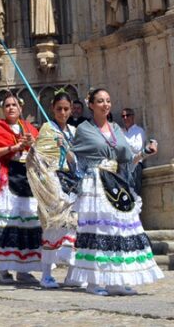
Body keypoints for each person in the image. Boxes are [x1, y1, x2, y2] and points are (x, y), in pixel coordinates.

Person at [66, 88, 163, 295]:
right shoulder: (84, 129)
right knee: (98, 231)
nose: (105, 104)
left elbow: (127, 160)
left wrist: (145, 153)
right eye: (100, 101)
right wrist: (71, 160)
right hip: (96, 185)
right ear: (91, 105)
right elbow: (75, 159)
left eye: (108, 100)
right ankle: (93, 282)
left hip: (116, 184)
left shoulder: (117, 129)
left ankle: (115, 281)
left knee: (118, 231)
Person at [0, 92, 41, 284]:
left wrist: (33, 144)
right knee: (6, 223)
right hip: (7, 181)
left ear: (21, 108)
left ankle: (24, 269)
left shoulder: (29, 128)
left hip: (26, 180)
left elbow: (44, 153)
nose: (11, 108)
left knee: (27, 224)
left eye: (14, 104)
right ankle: (3, 269)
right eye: (7, 105)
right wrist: (13, 148)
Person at [25, 91, 81, 289]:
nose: (63, 113)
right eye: (59, 109)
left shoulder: (74, 131)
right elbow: (38, 157)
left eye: (66, 109)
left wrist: (69, 151)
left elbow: (78, 159)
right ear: (52, 109)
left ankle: (72, 274)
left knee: (75, 225)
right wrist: (34, 147)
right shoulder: (48, 129)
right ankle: (47, 274)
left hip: (72, 181)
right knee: (53, 226)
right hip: (53, 182)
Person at [120, 108, 146, 196]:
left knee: (134, 192)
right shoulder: (120, 132)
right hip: (122, 166)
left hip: (135, 164)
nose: (125, 118)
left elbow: (137, 147)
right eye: (123, 116)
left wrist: (124, 141)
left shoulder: (139, 130)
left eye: (127, 115)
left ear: (133, 117)